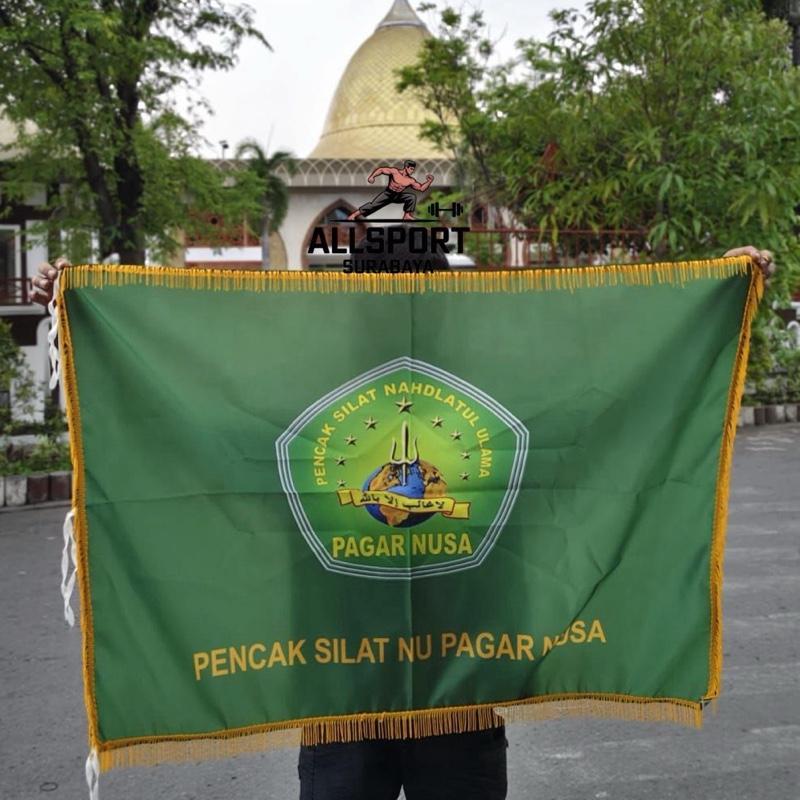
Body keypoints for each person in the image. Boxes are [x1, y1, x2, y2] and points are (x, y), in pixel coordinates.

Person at [30, 242, 775, 800]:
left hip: (462, 691)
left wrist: (722, 291)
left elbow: (599, 408)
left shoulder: (495, 394)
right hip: (339, 698)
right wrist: (79, 307)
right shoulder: (294, 400)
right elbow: (195, 425)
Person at [347, 160, 435, 222]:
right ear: (406, 167)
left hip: (398, 196)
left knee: (411, 197)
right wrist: (372, 176)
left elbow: (421, 188)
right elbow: (381, 170)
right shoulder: (394, 172)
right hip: (388, 194)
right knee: (373, 205)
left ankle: (407, 215)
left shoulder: (410, 180)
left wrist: (429, 181)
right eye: (411, 169)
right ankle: (353, 215)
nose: (412, 171)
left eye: (413, 170)